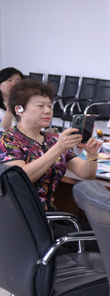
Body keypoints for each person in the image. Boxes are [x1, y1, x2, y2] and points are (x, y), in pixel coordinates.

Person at [0, 77, 102, 209]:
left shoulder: (53, 139)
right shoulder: (7, 139)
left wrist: (92, 155)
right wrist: (58, 148)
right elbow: (20, 178)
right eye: (40, 106)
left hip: (48, 213)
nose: (48, 111)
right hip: (21, 214)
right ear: (19, 109)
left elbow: (85, 173)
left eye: (49, 106)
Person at [0, 67, 23, 131]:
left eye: (18, 81)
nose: (14, 84)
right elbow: (3, 131)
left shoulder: (24, 102)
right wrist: (10, 109)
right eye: (9, 80)